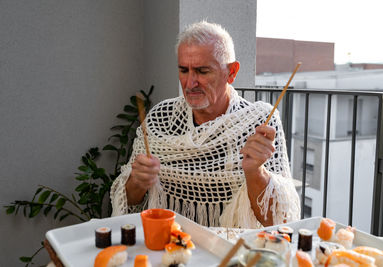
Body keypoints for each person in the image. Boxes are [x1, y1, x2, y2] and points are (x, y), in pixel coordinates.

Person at [110, 21, 300, 228]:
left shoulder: (259, 123)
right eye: (184, 70)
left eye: (202, 71)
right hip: (171, 246)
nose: (190, 83)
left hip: (231, 251)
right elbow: (127, 204)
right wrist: (137, 182)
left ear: (232, 72)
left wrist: (256, 172)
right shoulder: (160, 119)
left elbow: (277, 220)